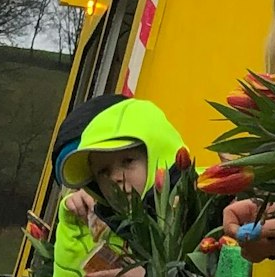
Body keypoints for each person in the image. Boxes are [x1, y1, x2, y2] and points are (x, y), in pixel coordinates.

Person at [52, 96, 187, 277]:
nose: (115, 178)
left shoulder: (206, 202)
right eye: (103, 172)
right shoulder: (112, 224)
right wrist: (75, 228)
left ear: (158, 155)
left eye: (128, 161)